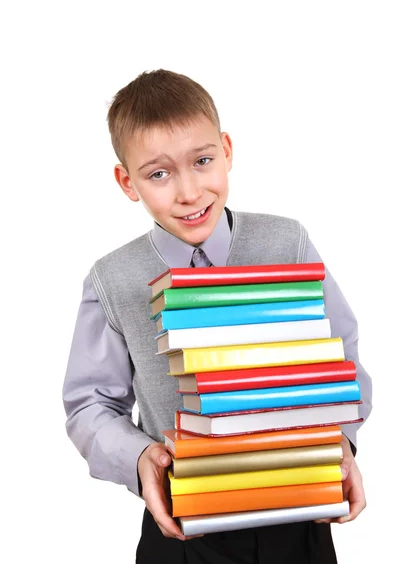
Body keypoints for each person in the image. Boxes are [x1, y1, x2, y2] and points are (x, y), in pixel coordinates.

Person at [63, 69, 372, 563]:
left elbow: (341, 357)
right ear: (127, 181)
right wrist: (140, 457)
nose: (188, 192)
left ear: (227, 151)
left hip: (299, 513)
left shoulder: (286, 243)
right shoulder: (113, 278)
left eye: (202, 161)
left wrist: (343, 442)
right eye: (158, 174)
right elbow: (90, 404)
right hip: (183, 528)